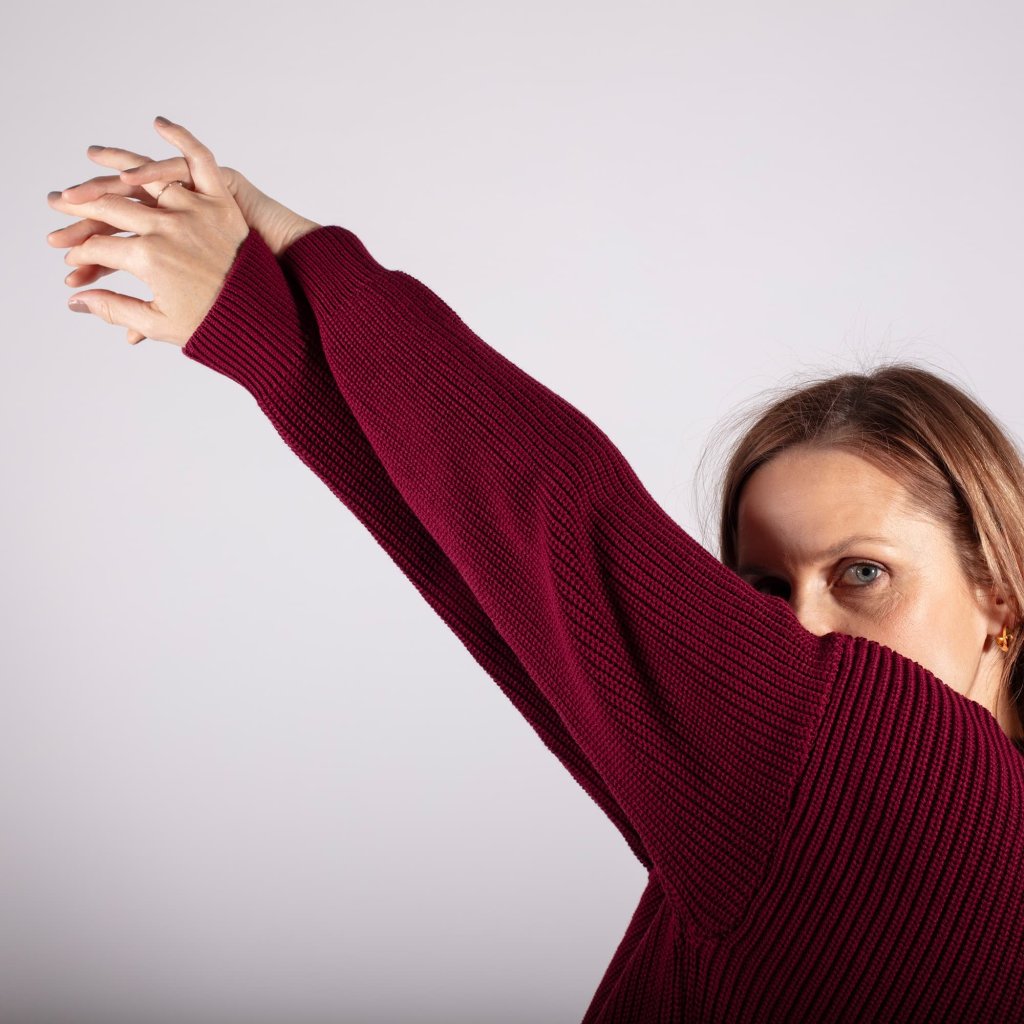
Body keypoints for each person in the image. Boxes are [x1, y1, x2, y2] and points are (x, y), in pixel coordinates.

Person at [47, 118, 1024, 1022]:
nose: (801, 631)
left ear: (1001, 598)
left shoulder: (905, 779)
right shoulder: (794, 819)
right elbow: (501, 591)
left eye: (862, 575)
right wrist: (258, 318)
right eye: (762, 592)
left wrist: (296, 257)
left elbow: (556, 510)